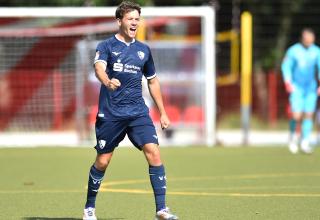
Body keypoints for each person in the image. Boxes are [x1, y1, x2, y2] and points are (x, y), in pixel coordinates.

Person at [82, 1, 178, 220]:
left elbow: (153, 82)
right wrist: (107, 81)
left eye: (137, 19)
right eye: (130, 18)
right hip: (111, 113)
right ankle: (89, 207)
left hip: (137, 112)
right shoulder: (106, 46)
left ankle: (161, 209)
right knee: (103, 161)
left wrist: (162, 112)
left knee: (154, 152)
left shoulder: (144, 50)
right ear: (119, 21)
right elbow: (98, 68)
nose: (135, 22)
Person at [281, 28, 320, 154]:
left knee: (308, 114)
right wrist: (288, 82)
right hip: (297, 87)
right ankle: (292, 138)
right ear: (302, 39)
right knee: (296, 115)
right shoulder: (293, 51)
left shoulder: (316, 51)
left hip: (311, 88)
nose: (309, 41)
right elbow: (286, 66)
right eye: (306, 39)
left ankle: (305, 142)